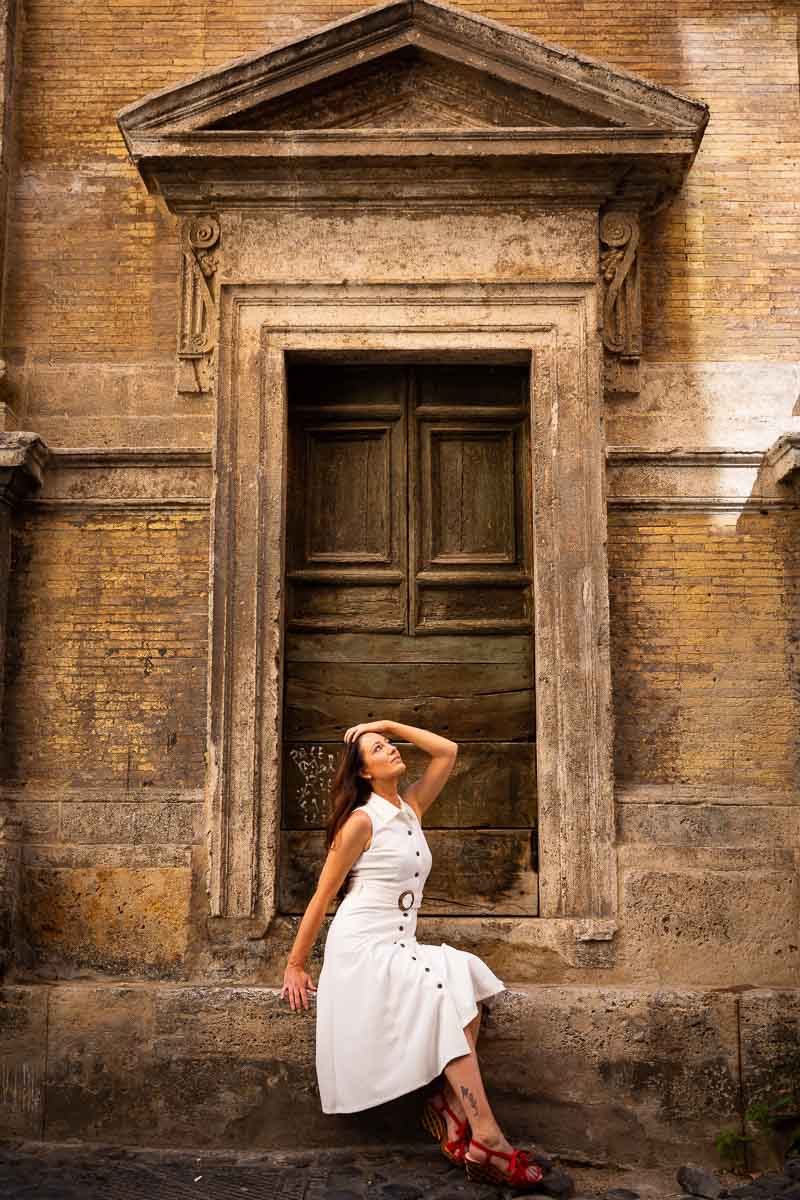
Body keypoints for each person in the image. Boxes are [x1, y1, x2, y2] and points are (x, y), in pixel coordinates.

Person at [280, 719, 548, 1191]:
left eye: (389, 744)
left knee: (463, 974)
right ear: (363, 773)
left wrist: (385, 723)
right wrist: (295, 965)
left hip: (398, 942)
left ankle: (447, 1108)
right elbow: (323, 896)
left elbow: (448, 750)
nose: (392, 750)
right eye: (380, 749)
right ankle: (487, 1136)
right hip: (363, 946)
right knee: (443, 992)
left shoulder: (411, 808)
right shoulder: (361, 821)